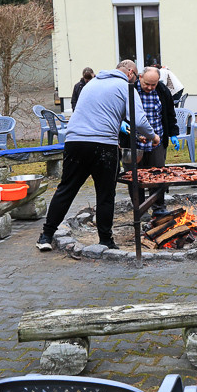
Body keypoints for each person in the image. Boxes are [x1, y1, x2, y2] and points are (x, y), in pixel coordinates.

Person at [37, 60, 159, 252]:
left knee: (66, 189)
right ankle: (105, 240)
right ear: (130, 73)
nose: (135, 82)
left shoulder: (91, 83)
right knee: (105, 194)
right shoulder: (125, 86)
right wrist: (153, 136)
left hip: (74, 142)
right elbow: (139, 120)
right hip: (103, 146)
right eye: (136, 78)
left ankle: (46, 236)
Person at [129, 67, 178, 220]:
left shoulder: (162, 90)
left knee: (158, 175)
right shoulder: (130, 90)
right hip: (134, 143)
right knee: (135, 177)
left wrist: (173, 133)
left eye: (153, 85)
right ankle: (140, 209)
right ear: (140, 77)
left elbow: (170, 113)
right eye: (147, 84)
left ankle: (159, 207)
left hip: (157, 141)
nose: (150, 87)